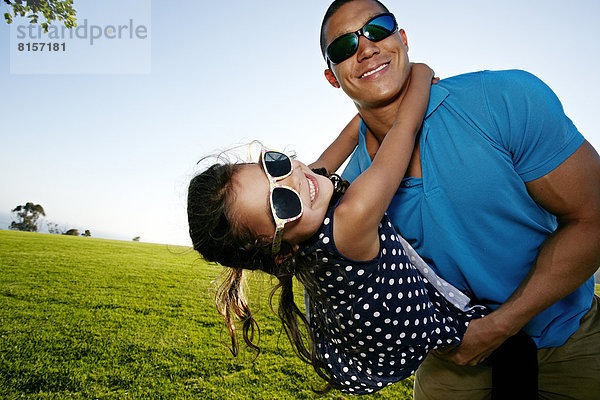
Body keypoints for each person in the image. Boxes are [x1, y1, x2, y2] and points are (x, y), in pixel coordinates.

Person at [316, 0, 600, 398]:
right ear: (333, 77)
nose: (365, 48)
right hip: (458, 357)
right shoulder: (352, 196)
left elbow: (593, 219)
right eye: (344, 47)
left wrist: (500, 325)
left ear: (403, 38)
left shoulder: (501, 99)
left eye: (378, 28)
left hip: (569, 335)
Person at [188, 64, 497, 395]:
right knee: (514, 351)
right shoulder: (351, 220)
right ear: (281, 250)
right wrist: (418, 74)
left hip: (374, 323)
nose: (294, 179)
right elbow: (403, 131)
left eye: (273, 165)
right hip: (429, 327)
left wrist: (373, 101)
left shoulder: (304, 198)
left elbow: (348, 137)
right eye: (281, 204)